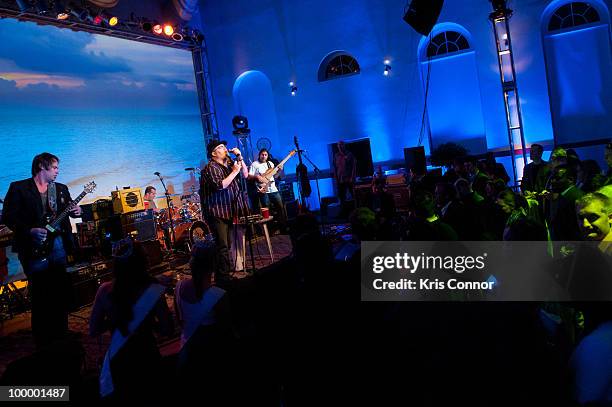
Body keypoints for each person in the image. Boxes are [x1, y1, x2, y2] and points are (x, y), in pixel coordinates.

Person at [2, 153, 81, 348]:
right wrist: (29, 231)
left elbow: (69, 212)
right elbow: (9, 218)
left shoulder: (61, 189)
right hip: (32, 247)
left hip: (58, 245)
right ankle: (43, 340)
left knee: (59, 289)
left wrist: (77, 211)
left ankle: (61, 333)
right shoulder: (19, 188)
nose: (57, 171)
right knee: (40, 293)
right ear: (41, 166)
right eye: (54, 167)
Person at [89, 239, 173, 401]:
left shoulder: (105, 290)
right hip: (147, 357)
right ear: (142, 262)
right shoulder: (152, 289)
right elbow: (167, 330)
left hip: (120, 359)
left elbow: (93, 330)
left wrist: (115, 319)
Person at [174, 242, 233, 402]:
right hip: (210, 360)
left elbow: (180, 322)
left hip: (185, 355)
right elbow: (226, 331)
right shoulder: (219, 295)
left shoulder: (178, 287)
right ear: (213, 265)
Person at [200, 139, 250, 280]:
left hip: (228, 210)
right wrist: (234, 172)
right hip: (217, 212)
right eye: (221, 147)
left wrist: (239, 157)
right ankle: (223, 278)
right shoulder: (211, 168)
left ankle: (224, 275)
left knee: (226, 244)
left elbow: (245, 174)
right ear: (213, 153)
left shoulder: (227, 164)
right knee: (222, 245)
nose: (225, 149)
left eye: (224, 147)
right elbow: (220, 185)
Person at [249, 148, 287, 232]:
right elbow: (249, 176)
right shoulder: (254, 164)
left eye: (265, 155)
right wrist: (257, 178)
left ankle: (283, 228)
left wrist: (280, 171)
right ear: (259, 155)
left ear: (267, 156)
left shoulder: (270, 164)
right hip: (263, 191)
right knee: (267, 211)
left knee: (280, 208)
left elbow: (275, 177)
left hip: (274, 189)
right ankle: (270, 230)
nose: (264, 156)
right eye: (262, 154)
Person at [333, 141, 357, 207]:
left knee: (353, 195)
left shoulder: (349, 154)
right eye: (339, 145)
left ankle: (356, 209)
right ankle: (343, 211)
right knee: (342, 196)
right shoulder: (336, 156)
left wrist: (352, 177)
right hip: (340, 179)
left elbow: (353, 166)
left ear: (344, 146)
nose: (340, 146)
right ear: (337, 146)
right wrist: (336, 178)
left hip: (349, 178)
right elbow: (335, 167)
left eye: (341, 145)